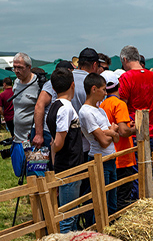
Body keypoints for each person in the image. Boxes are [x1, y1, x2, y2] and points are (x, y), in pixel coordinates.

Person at [118, 46, 153, 196]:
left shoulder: (126, 78)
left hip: (133, 135)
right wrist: (150, 122)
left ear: (125, 60)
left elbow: (122, 106)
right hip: (151, 133)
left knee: (137, 177)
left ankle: (141, 205)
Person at [45, 69, 84, 232]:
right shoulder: (65, 108)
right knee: (68, 216)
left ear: (53, 88)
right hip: (70, 165)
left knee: (72, 214)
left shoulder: (54, 106)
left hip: (65, 164)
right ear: (73, 85)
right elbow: (59, 142)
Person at [79, 73, 119, 216]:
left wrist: (109, 133)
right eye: (103, 89)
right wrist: (112, 132)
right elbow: (102, 142)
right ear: (94, 89)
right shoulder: (86, 112)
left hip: (110, 158)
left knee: (111, 201)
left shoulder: (100, 110)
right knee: (102, 202)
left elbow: (114, 137)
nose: (105, 93)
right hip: (99, 160)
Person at [101, 72, 136, 212]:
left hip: (109, 155)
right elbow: (123, 131)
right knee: (123, 197)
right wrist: (135, 129)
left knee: (112, 196)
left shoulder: (102, 104)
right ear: (119, 86)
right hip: (123, 156)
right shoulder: (119, 104)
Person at [10, 52, 41, 146]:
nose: (16, 71)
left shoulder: (38, 84)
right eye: (14, 67)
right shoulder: (16, 82)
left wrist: (39, 134)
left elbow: (41, 110)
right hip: (17, 138)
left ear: (29, 67)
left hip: (31, 138)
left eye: (20, 68)